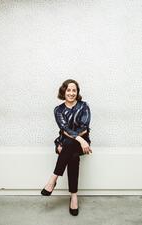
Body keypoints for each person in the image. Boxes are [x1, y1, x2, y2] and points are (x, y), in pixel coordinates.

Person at [41, 79, 92, 216]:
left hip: (81, 142)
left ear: (77, 92)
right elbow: (63, 129)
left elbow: (84, 128)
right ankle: (74, 196)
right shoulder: (58, 110)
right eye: (68, 90)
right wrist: (78, 140)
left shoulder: (83, 106)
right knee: (73, 156)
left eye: (74, 90)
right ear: (63, 91)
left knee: (69, 143)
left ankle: (53, 179)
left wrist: (80, 140)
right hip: (69, 142)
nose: (71, 93)